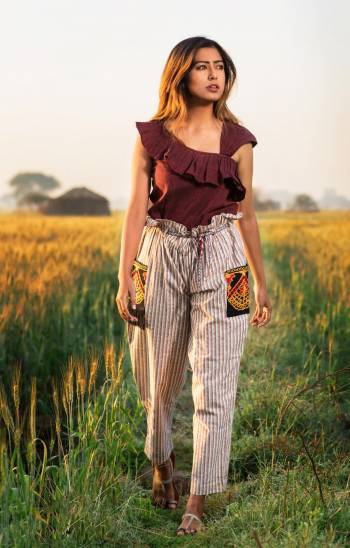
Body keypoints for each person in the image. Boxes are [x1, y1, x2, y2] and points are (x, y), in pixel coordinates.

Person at [116, 36, 272, 536]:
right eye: (201, 67)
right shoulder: (151, 137)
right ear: (180, 75)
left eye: (220, 67)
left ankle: (198, 501)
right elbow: (137, 211)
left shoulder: (240, 141)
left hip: (226, 263)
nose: (213, 74)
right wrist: (125, 280)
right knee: (155, 380)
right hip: (160, 255)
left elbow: (247, 217)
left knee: (216, 383)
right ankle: (162, 461)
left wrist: (261, 286)